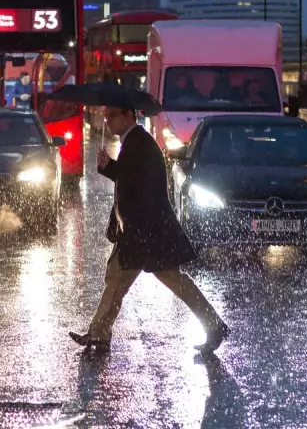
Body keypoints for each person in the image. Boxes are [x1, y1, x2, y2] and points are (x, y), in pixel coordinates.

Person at [69, 106, 230, 353]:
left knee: (158, 280)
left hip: (145, 232)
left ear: (128, 115)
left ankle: (215, 325)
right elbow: (132, 179)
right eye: (107, 115)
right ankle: (99, 333)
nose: (107, 120)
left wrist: (132, 228)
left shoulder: (138, 144)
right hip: (144, 230)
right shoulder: (135, 142)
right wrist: (110, 167)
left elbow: (140, 187)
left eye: (113, 114)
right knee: (117, 278)